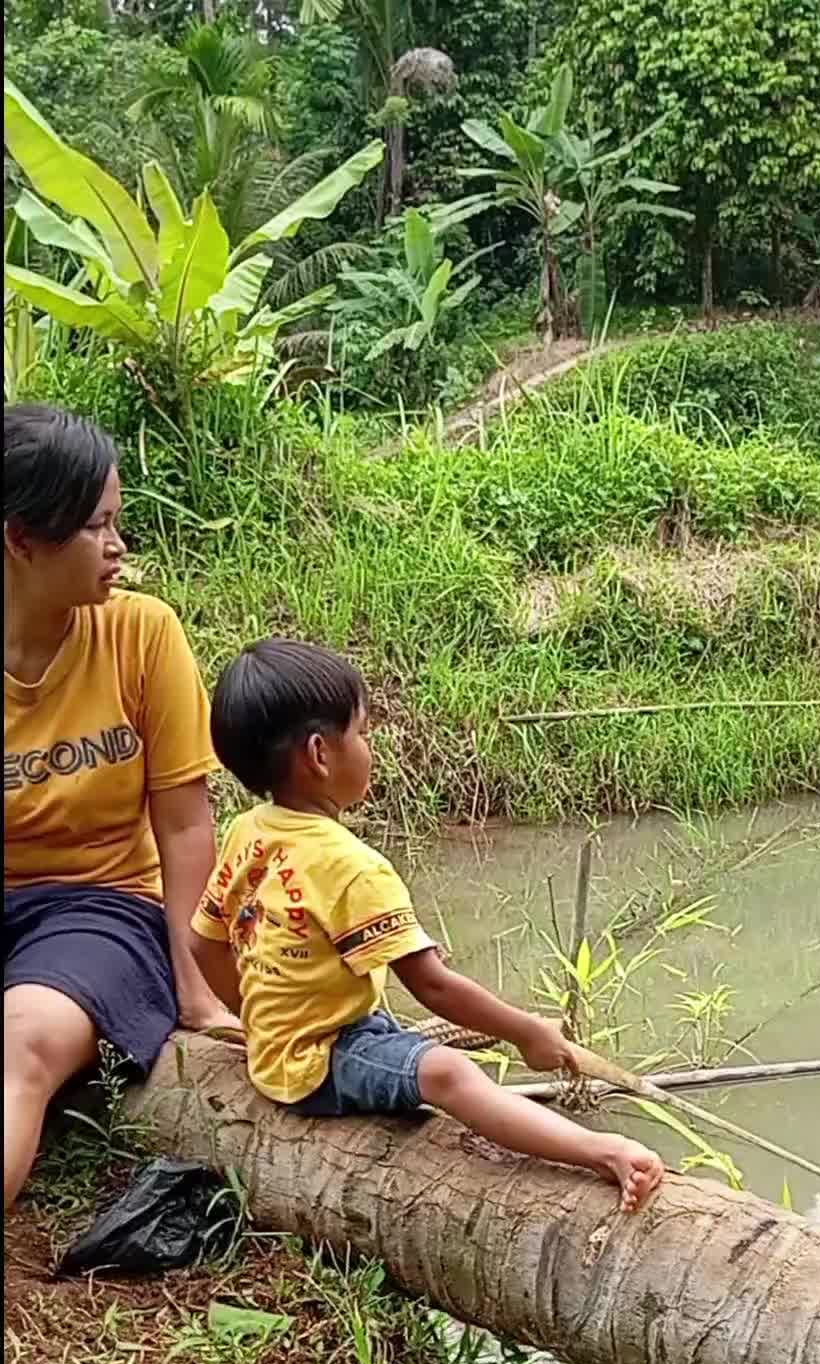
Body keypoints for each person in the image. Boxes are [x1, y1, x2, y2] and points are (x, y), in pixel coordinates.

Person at [191, 637, 664, 1214]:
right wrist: (525, 1033)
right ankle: (602, 1153)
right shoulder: (352, 867)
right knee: (447, 1072)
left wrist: (260, 1020)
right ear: (320, 754)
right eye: (362, 733)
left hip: (287, 1044)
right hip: (317, 1061)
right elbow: (433, 985)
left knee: (406, 1043)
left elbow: (203, 941)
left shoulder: (248, 830)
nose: (371, 748)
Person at [3, 404, 240, 1210]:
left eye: (118, 523)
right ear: (22, 539)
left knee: (23, 1043)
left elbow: (184, 823)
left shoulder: (142, 635)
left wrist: (199, 987)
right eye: (97, 527)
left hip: (98, 908)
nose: (119, 548)